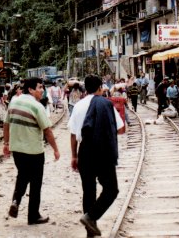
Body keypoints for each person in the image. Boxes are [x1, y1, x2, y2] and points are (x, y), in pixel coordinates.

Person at [68, 74, 124, 237]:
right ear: (100, 87)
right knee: (111, 189)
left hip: (84, 151)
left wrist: (74, 156)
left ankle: (89, 232)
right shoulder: (106, 104)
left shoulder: (77, 106)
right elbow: (121, 129)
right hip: (102, 151)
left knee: (88, 191)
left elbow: (73, 134)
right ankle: (91, 217)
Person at [3, 77, 60, 225]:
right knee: (35, 183)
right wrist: (55, 149)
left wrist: (6, 143)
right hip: (34, 151)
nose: (42, 90)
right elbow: (47, 131)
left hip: (17, 150)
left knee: (22, 175)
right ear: (30, 89)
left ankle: (16, 200)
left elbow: (6, 124)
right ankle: (33, 215)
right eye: (40, 87)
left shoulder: (14, 102)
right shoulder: (37, 106)